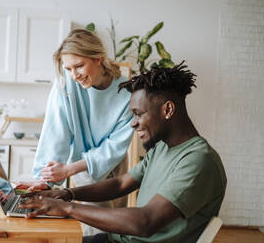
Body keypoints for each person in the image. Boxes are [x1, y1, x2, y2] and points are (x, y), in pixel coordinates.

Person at [18, 62, 227, 243]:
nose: (133, 123)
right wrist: (67, 194)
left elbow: (145, 222)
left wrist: (67, 208)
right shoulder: (163, 148)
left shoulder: (198, 160)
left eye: (138, 114)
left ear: (168, 110)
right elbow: (121, 184)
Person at [16, 28, 134, 235]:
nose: (74, 75)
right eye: (68, 68)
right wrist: (44, 179)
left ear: (98, 58)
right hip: (79, 165)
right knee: (94, 229)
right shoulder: (66, 81)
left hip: (113, 163)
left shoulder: (126, 92)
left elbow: (114, 147)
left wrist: (68, 169)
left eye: (79, 66)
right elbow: (55, 130)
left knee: (116, 227)